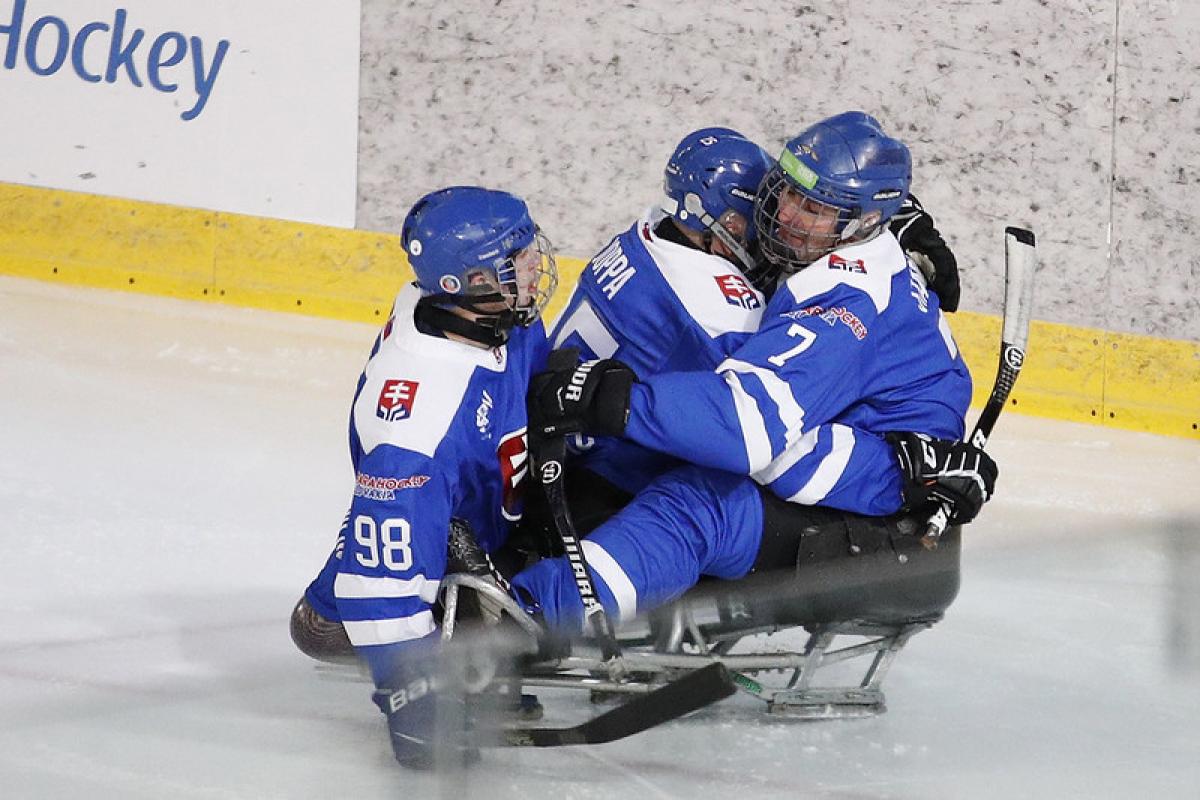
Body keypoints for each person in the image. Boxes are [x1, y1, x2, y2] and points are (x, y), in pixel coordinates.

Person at [516, 112, 997, 628]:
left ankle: (531, 619)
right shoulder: (842, 243)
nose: (785, 214)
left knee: (701, 505)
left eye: (813, 208)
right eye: (787, 191)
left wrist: (618, 401)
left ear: (863, 224)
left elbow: (748, 432)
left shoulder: (845, 309)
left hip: (891, 529)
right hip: (872, 467)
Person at [289, 186, 557, 768]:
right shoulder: (418, 434)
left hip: (478, 511)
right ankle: (332, 618)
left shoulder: (476, 315)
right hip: (426, 541)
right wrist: (415, 702)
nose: (535, 265)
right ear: (471, 283)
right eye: (517, 258)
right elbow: (379, 587)